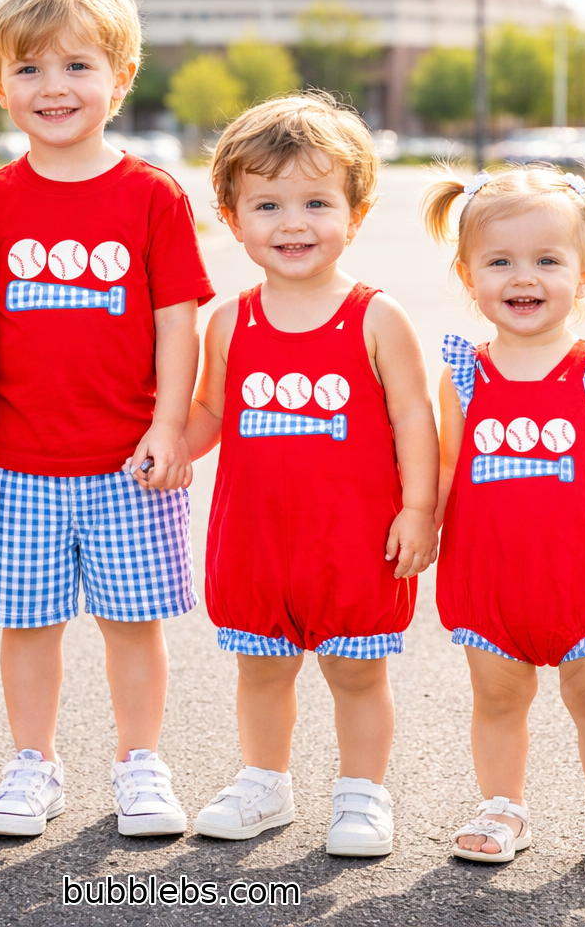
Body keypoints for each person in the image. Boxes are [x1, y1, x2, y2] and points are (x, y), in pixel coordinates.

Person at [0, 0, 214, 838]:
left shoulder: (151, 197)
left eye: (77, 66)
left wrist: (168, 427)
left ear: (121, 77)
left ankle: (140, 764)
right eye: (28, 68)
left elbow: (176, 323)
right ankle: (33, 764)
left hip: (126, 464)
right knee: (28, 628)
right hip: (17, 463)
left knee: (132, 622)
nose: (53, 87)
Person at [185, 94, 439, 855]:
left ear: (356, 214)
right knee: (261, 671)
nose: (293, 223)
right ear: (232, 219)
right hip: (258, 539)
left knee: (356, 675)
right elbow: (208, 415)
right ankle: (265, 783)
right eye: (267, 204)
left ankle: (362, 796)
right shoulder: (231, 321)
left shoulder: (375, 316)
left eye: (316, 202)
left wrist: (420, 510)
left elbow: (414, 421)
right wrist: (163, 444)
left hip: (354, 540)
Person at [425, 165, 585, 877]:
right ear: (468, 275)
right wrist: (423, 524)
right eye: (499, 261)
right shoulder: (465, 375)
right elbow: (447, 468)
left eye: (546, 260)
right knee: (497, 698)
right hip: (492, 579)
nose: (522, 277)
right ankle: (502, 805)